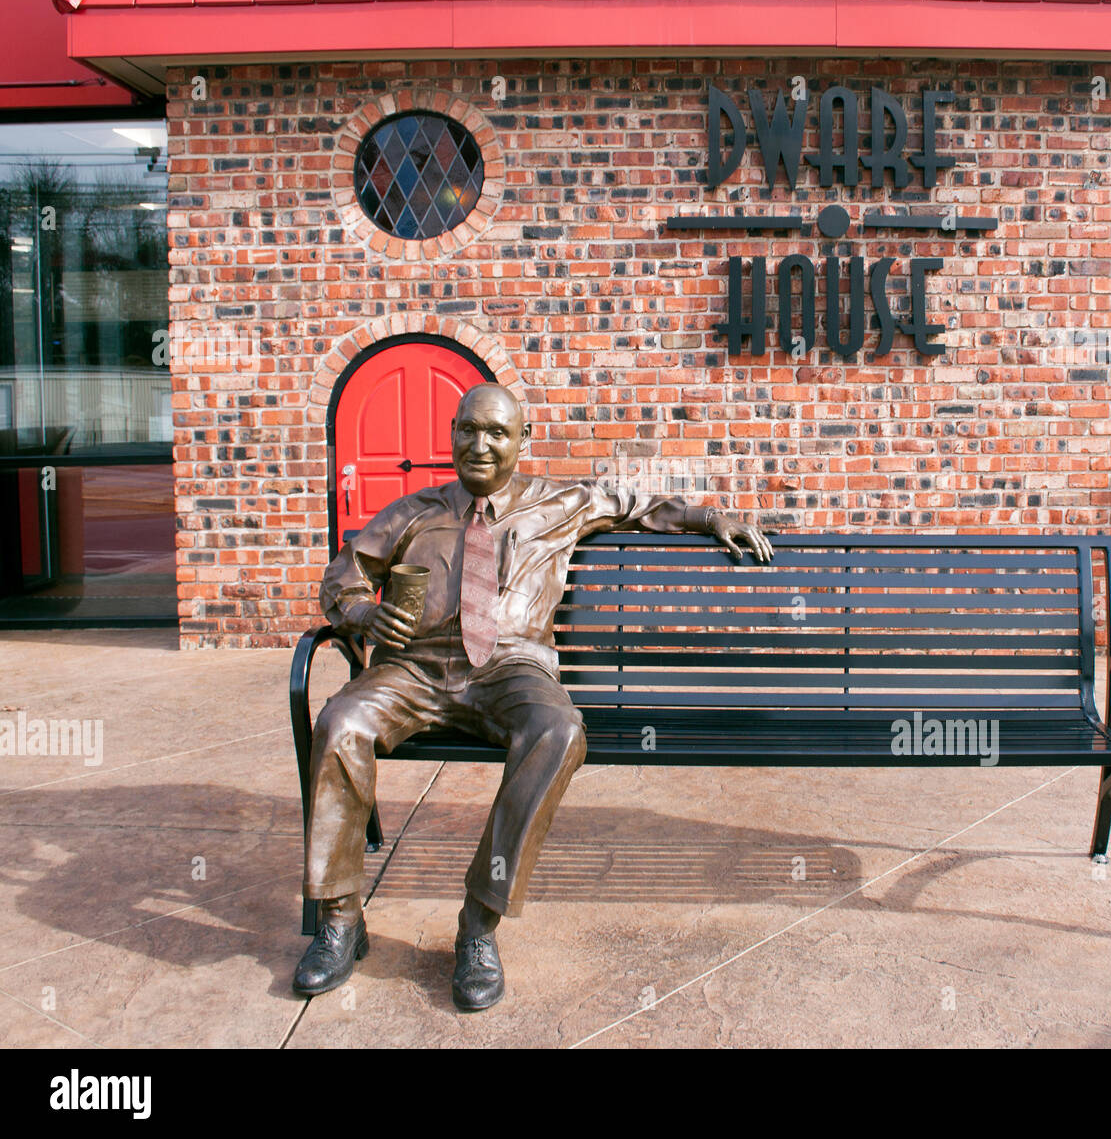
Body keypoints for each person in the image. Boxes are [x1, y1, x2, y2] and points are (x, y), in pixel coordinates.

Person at [294, 383, 772, 1010]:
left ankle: (479, 923)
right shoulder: (413, 511)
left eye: (496, 433)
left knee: (559, 730)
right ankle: (338, 919)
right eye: (468, 430)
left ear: (522, 442)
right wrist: (359, 614)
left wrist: (713, 519)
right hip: (414, 669)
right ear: (452, 436)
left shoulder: (564, 501)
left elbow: (645, 504)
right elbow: (346, 574)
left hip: (510, 668)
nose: (480, 444)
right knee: (339, 720)